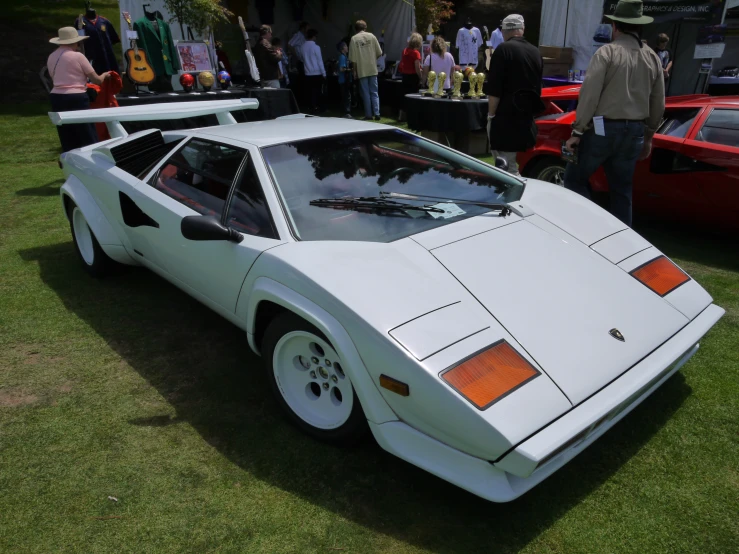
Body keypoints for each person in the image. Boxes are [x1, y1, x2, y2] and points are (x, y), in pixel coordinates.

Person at [563, 0, 665, 227]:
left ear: (615, 26)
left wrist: (577, 131)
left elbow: (589, 95)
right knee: (622, 190)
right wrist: (649, 136)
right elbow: (658, 101)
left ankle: (590, 227)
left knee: (574, 179)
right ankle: (620, 241)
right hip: (635, 131)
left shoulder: (607, 52)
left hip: (604, 127)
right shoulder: (652, 58)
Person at [483, 14, 543, 175]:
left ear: (504, 31)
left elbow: (494, 89)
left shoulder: (503, 50)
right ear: (522, 30)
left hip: (506, 119)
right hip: (526, 118)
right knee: (514, 166)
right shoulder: (535, 51)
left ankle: (512, 199)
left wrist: (491, 116)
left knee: (506, 170)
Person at [47, 27, 111, 152]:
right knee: (86, 132)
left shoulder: (51, 56)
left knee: (66, 132)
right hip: (76, 97)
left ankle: (71, 156)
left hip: (57, 96)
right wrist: (105, 75)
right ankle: (91, 156)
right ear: (75, 42)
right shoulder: (78, 56)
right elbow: (96, 79)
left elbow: (52, 76)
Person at [349, 20, 383, 121]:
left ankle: (368, 114)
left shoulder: (354, 39)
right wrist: (372, 59)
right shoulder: (372, 36)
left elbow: (353, 58)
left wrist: (354, 71)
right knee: (374, 92)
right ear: (365, 27)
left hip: (362, 69)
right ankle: (377, 113)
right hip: (372, 68)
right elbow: (379, 52)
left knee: (366, 93)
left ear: (356, 29)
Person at [398, 32, 424, 121]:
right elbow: (417, 67)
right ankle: (412, 116)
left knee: (404, 96)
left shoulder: (404, 51)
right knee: (413, 96)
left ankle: (401, 116)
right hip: (413, 77)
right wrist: (421, 77)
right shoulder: (416, 53)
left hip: (405, 76)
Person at [303, 29, 326, 113]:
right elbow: (320, 61)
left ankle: (311, 106)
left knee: (309, 91)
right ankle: (317, 106)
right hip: (316, 72)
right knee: (317, 91)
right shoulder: (316, 47)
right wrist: (324, 73)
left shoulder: (303, 46)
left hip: (307, 72)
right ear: (313, 36)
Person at [337, 41, 353, 118]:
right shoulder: (342, 57)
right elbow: (341, 69)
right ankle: (346, 112)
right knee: (346, 96)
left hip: (345, 80)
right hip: (344, 80)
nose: (347, 48)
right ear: (343, 48)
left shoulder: (344, 57)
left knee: (345, 96)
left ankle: (343, 113)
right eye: (346, 46)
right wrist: (350, 69)